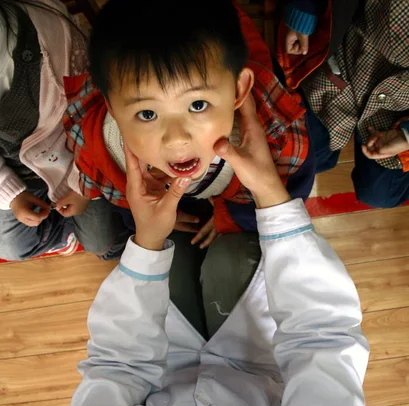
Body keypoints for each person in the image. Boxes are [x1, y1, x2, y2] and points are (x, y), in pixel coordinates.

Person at [44, 95, 375, 406]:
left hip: (158, 371)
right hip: (259, 362)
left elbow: (115, 368)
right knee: (228, 256)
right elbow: (322, 339)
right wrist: (272, 197)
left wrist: (146, 245)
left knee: (170, 253)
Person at [63, 0, 315, 246]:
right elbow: (110, 190)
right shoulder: (98, 145)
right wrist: (150, 222)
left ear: (238, 92)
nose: (176, 139)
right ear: (112, 108)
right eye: (148, 114)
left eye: (198, 105)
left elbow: (293, 188)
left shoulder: (277, 136)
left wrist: (233, 217)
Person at [0, 0, 126, 261]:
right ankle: (68, 233)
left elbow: (97, 121)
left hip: (77, 159)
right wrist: (11, 193)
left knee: (102, 246)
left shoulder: (54, 44)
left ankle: (78, 228)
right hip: (17, 171)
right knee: (13, 248)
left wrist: (79, 183)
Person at [277, 0, 409, 208]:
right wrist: (305, 9)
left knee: (381, 195)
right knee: (311, 159)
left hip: (399, 107)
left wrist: (407, 135)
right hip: (351, 57)